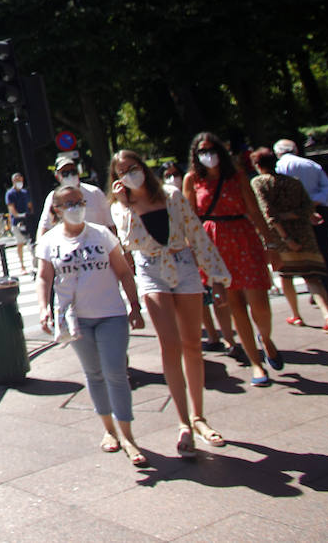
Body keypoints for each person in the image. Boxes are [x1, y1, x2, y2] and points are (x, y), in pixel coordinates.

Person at [108, 148, 232, 458]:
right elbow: (129, 242)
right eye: (122, 172)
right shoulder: (120, 208)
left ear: (143, 167)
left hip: (184, 265)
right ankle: (183, 422)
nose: (130, 174)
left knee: (193, 344)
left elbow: (196, 234)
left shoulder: (171, 195)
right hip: (151, 270)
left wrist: (216, 276)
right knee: (170, 345)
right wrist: (126, 204)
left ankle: (199, 416)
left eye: (133, 167)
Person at [36, 186, 147, 467]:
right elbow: (44, 277)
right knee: (94, 374)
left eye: (79, 202)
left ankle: (128, 436)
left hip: (111, 314)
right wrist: (44, 308)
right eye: (69, 203)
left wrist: (134, 306)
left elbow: (123, 271)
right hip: (76, 318)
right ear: (57, 210)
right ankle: (109, 429)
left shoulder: (101, 234)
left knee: (116, 372)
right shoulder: (49, 241)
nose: (76, 207)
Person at [184, 131, 281, 386]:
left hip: (243, 238)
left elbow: (254, 210)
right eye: (202, 151)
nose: (208, 155)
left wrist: (271, 243)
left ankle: (265, 339)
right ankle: (256, 363)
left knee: (260, 304)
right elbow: (189, 219)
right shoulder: (192, 179)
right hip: (214, 245)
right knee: (235, 304)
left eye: (211, 150)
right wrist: (193, 252)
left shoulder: (236, 176)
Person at [251, 147, 328, 332]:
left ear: (258, 165)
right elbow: (308, 208)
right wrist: (294, 214)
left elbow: (268, 213)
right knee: (312, 277)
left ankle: (296, 315)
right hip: (304, 233)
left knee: (286, 276)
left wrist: (286, 237)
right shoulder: (294, 182)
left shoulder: (259, 182)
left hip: (280, 237)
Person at [273, 138, 328, 306]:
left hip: (293, 215)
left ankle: (316, 292)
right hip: (319, 210)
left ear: (277, 153)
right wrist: (313, 201)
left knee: (304, 254)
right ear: (295, 149)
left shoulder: (279, 167)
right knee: (325, 251)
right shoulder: (311, 165)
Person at [39, 155, 114, 238]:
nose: (70, 175)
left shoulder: (95, 192)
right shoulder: (53, 198)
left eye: (73, 171)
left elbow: (110, 222)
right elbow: (45, 226)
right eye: (65, 173)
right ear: (57, 176)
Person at [4, 173, 31, 271]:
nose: (19, 182)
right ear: (13, 181)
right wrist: (19, 215)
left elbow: (30, 205)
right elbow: (11, 208)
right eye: (17, 180)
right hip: (17, 222)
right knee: (20, 243)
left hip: (27, 221)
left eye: (20, 180)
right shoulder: (10, 194)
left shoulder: (25, 192)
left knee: (30, 242)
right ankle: (22, 265)